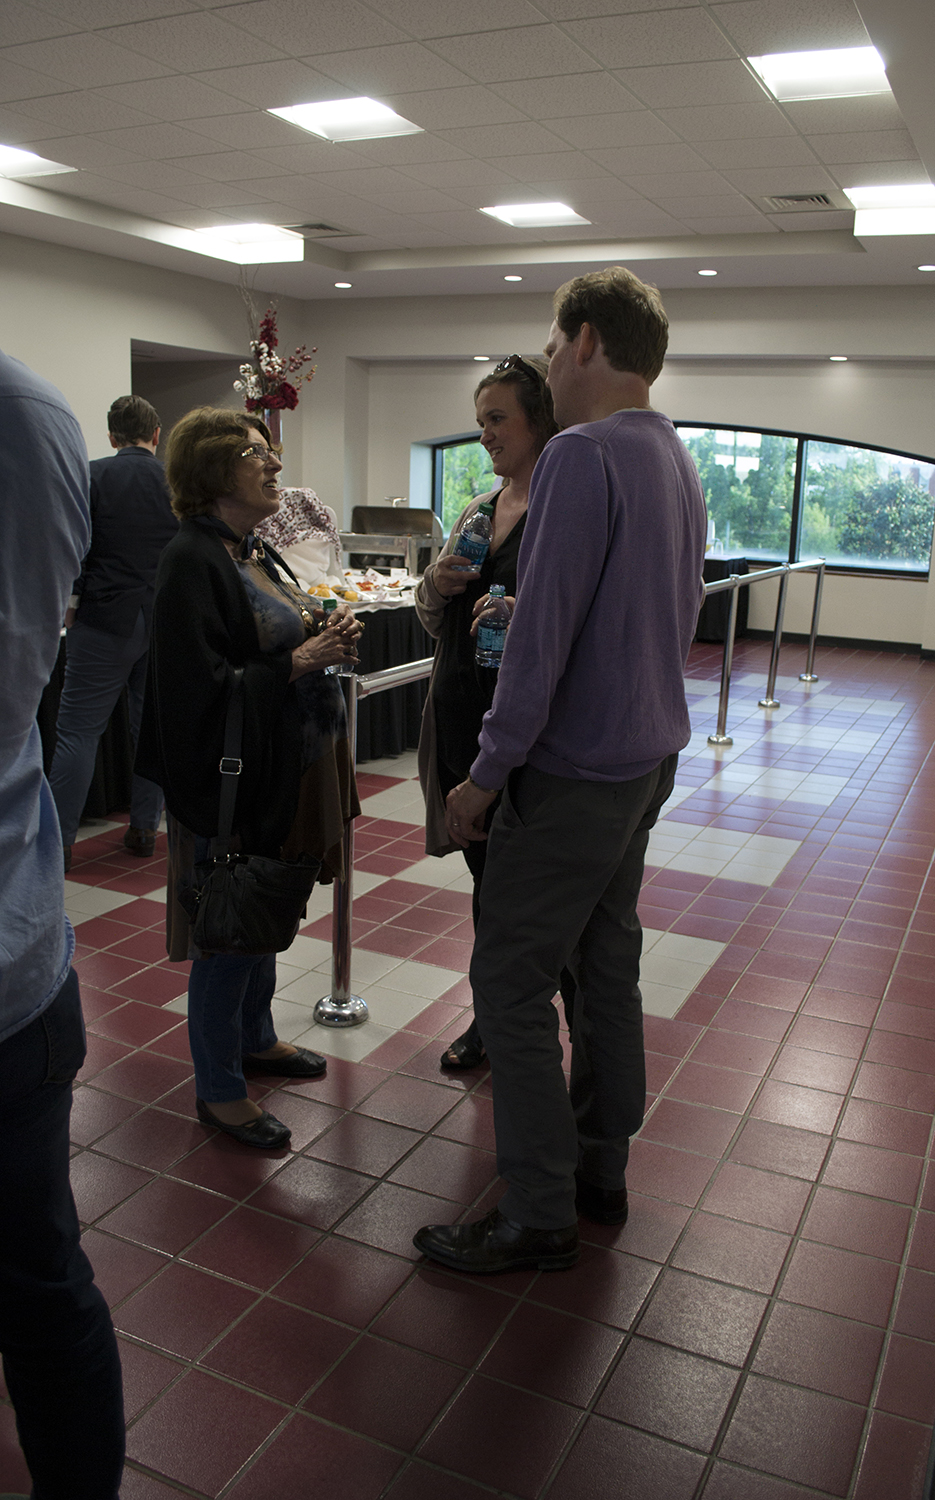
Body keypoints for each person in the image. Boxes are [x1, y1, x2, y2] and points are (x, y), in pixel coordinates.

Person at [414, 267, 707, 1273]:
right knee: (606, 964)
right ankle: (598, 1165)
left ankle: (536, 1209)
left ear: (585, 341)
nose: (546, 358)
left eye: (550, 342)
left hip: (574, 772)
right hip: (643, 762)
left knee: (508, 977)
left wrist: (483, 778)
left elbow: (536, 646)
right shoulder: (674, 455)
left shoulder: (582, 457)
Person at [135, 408, 362, 1149]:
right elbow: (195, 689)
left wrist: (324, 632)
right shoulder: (191, 561)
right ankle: (219, 1089)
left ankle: (256, 1037)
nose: (273, 464)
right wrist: (301, 660)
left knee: (265, 901)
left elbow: (276, 631)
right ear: (211, 474)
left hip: (279, 764)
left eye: (271, 451)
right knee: (229, 926)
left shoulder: (249, 547)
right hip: (228, 779)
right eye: (253, 454)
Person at [0, 346, 126, 1496]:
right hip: (20, 955)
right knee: (39, 1277)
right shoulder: (38, 414)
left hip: (13, 974)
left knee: (37, 1280)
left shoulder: (26, 414)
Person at [415, 355, 559, 1070]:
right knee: (483, 883)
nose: (486, 437)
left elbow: (579, 626)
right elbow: (429, 616)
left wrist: (521, 612)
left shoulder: (561, 512)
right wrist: (437, 584)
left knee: (516, 896)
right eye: (480, 423)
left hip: (524, 740)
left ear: (538, 419)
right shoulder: (478, 510)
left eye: (498, 419)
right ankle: (490, 1016)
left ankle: (515, 1020)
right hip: (459, 726)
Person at [48, 394, 178, 871]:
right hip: (161, 621)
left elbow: (75, 546)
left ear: (111, 436)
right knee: (152, 732)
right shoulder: (174, 481)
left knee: (78, 733)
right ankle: (145, 829)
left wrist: (72, 603)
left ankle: (58, 842)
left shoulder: (93, 475)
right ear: (157, 433)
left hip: (105, 620)